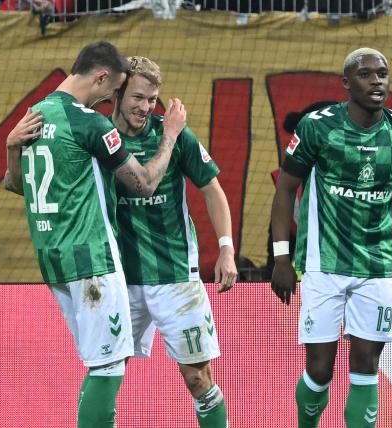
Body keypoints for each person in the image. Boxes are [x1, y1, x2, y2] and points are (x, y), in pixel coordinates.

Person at [270, 47, 392, 427]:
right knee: (320, 369)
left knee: (366, 365)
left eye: (383, 73)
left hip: (376, 266)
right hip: (323, 264)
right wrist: (280, 258)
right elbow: (286, 188)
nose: (377, 81)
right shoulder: (317, 126)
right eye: (366, 74)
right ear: (346, 83)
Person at [3, 41, 187, 428]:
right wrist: (170, 135)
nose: (111, 99)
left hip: (52, 258)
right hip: (91, 259)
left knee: (101, 359)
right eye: (113, 90)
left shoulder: (36, 112)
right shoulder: (89, 122)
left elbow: (15, 183)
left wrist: (9, 147)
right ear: (101, 77)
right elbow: (144, 184)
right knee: (108, 364)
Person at [110, 56, 237, 427]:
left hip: (176, 276)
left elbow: (212, 190)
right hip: (120, 278)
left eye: (152, 99)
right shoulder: (98, 134)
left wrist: (227, 248)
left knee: (198, 378)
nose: (146, 108)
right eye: (137, 97)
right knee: (107, 374)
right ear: (116, 93)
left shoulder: (174, 133)